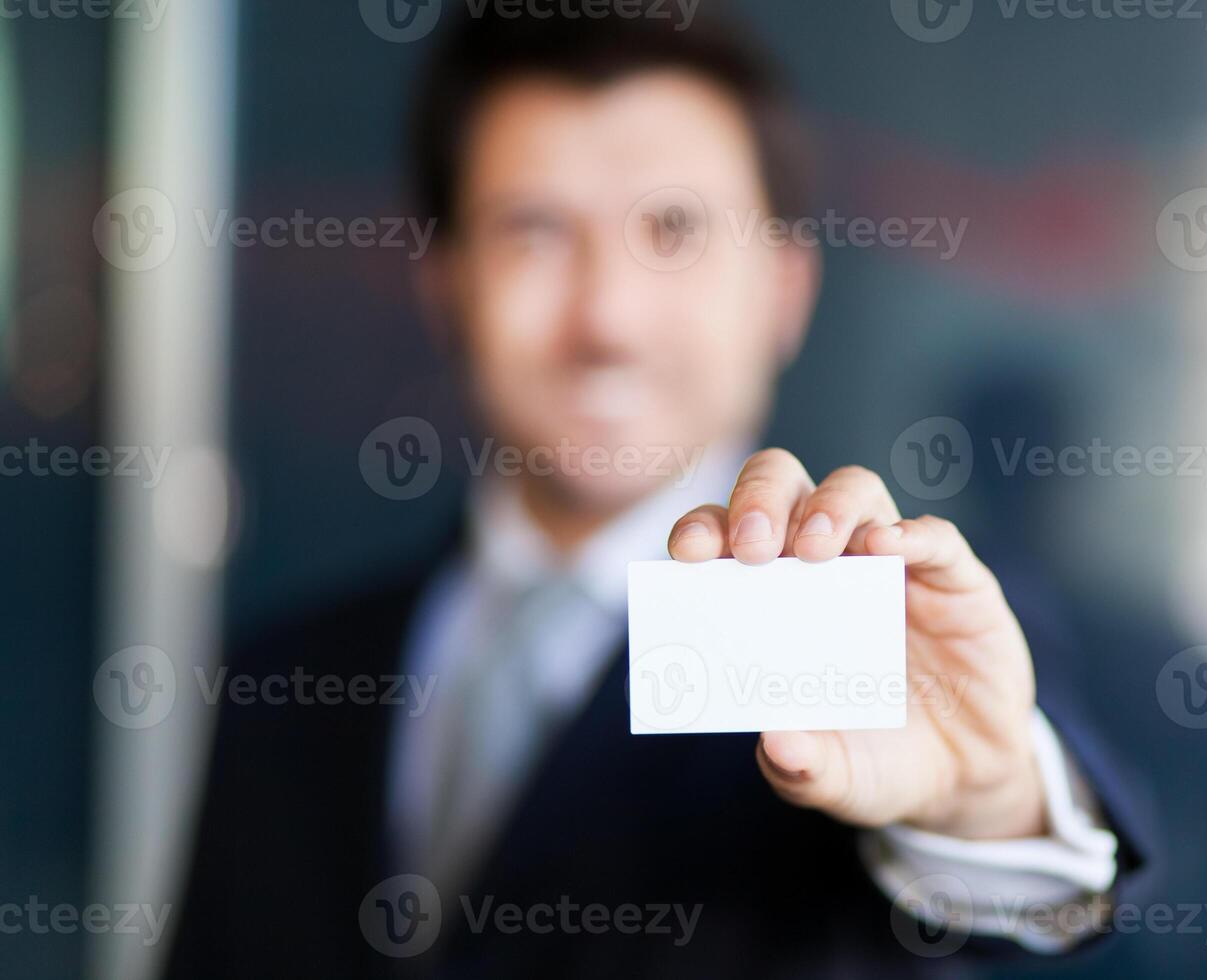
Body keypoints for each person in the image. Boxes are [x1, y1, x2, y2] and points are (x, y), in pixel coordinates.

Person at [166, 6, 1147, 976]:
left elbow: (1021, 871)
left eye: (674, 229)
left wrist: (984, 799)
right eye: (534, 231)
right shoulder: (278, 679)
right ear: (443, 282)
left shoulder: (890, 633)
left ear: (785, 287)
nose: (607, 318)